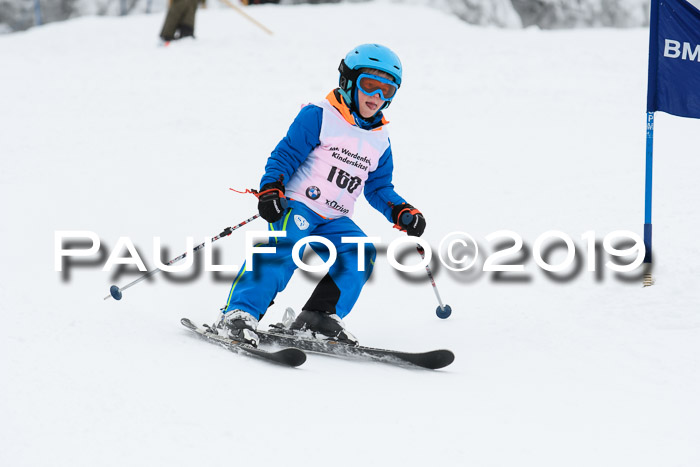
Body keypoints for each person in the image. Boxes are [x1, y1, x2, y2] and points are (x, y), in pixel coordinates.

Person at [219, 44, 426, 347]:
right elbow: (286, 154)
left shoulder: (380, 140)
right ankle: (239, 314)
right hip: (298, 206)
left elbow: (379, 187)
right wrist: (270, 189)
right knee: (283, 247)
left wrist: (401, 211)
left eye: (388, 90)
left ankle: (319, 316)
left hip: (336, 217)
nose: (377, 97)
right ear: (349, 80)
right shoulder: (319, 116)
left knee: (360, 252)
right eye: (370, 85)